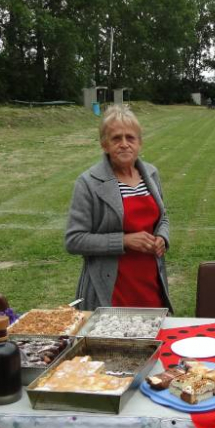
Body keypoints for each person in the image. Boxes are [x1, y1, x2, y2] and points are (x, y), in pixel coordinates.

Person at [65, 104, 172, 311]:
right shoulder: (88, 183)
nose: (124, 144)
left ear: (139, 143)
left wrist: (162, 237)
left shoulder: (150, 174)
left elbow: (163, 218)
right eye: (116, 138)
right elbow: (74, 240)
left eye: (130, 138)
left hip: (150, 284)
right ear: (104, 144)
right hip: (112, 290)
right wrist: (124, 241)